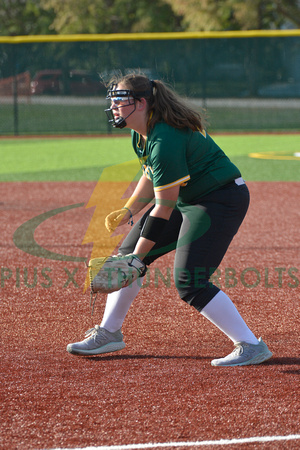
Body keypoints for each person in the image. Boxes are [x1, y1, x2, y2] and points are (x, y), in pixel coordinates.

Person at [67, 73, 272, 366]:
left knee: (190, 281)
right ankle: (109, 332)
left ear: (141, 103)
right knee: (125, 256)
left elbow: (163, 207)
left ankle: (251, 345)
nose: (113, 106)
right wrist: (128, 211)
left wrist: (138, 260)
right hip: (191, 197)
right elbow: (151, 175)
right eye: (112, 100)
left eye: (120, 100)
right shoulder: (141, 131)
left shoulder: (165, 138)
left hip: (219, 199)